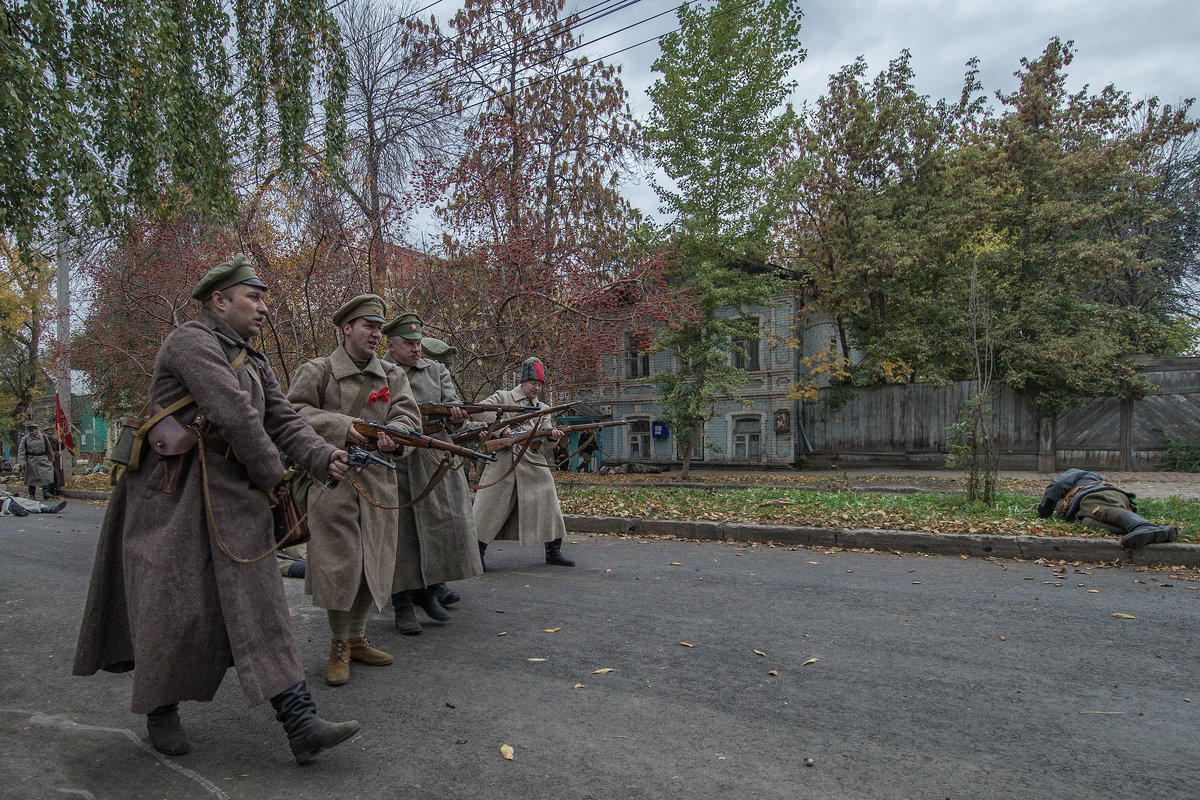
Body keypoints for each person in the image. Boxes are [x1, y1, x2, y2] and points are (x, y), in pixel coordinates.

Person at [73, 255, 359, 764]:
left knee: (263, 606)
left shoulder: (253, 358)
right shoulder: (190, 341)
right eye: (254, 297)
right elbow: (234, 413)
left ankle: (300, 723)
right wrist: (275, 477)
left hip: (233, 493)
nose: (263, 309)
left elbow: (282, 418)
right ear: (219, 301)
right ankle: (160, 711)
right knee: (172, 609)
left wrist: (322, 456)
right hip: (172, 498)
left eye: (265, 299)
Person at [287, 294, 421, 685]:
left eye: (380, 327)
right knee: (339, 565)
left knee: (371, 564)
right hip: (333, 482)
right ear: (347, 328)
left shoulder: (393, 376)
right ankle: (338, 645)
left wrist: (396, 437)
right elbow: (292, 413)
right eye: (369, 326)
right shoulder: (318, 371)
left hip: (378, 484)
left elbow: (407, 416)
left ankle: (358, 638)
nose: (376, 334)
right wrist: (342, 427)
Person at [382, 312, 483, 635]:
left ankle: (429, 592)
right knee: (402, 536)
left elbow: (455, 412)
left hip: (435, 455)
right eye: (409, 344)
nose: (416, 349)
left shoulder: (436, 370)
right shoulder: (379, 371)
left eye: (418, 343)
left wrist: (455, 417)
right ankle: (402, 605)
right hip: (397, 458)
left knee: (442, 526)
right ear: (391, 345)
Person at [472, 357, 574, 568]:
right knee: (489, 507)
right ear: (523, 382)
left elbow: (547, 444)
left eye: (540, 384)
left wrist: (553, 437)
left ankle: (554, 551)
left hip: (533, 461)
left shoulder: (543, 408)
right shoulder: (504, 397)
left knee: (549, 502)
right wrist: (502, 429)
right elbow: (480, 410)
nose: (537, 388)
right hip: (505, 461)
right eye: (533, 383)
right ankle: (477, 554)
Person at [1037, 468, 1179, 549]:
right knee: (1087, 520)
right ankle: (1136, 530)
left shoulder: (1078, 474)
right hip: (1115, 498)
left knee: (1101, 509)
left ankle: (1143, 526)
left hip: (1093, 495)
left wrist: (1044, 511)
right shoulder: (1099, 481)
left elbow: (1056, 486)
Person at [17, 424, 55, 500]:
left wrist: (51, 457)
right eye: (30, 431)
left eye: (33, 431)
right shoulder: (25, 439)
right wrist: (21, 462)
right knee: (31, 478)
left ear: (36, 430)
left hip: (42, 458)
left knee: (46, 474)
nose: (31, 432)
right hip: (31, 459)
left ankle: (46, 492)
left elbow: (48, 447)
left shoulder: (43, 437)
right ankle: (32, 494)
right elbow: (21, 451)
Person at [1, 490, 66, 516]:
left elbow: (3, 493)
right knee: (9, 505)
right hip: (5, 503)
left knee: (29, 503)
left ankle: (51, 508)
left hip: (9, 499)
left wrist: (10, 494)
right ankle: (19, 511)